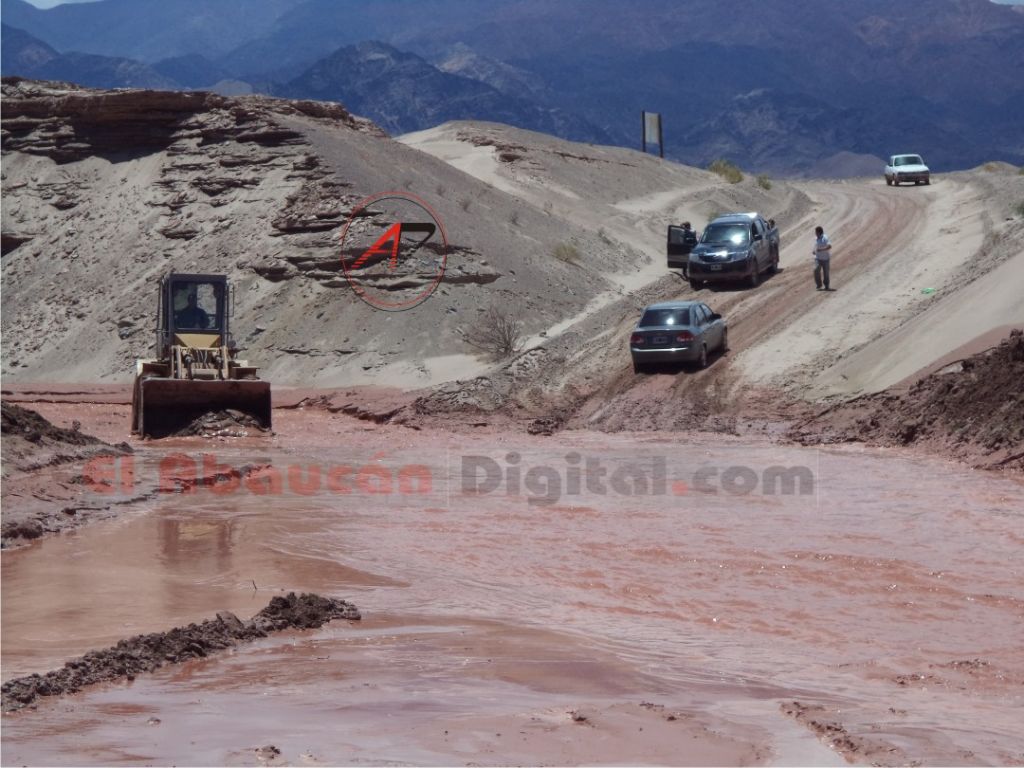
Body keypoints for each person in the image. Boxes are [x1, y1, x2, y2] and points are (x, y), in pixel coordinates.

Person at [812, 225, 832, 290]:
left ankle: (826, 285)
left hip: (825, 258)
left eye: (816, 232)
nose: (815, 233)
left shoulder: (825, 238)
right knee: (816, 270)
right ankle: (819, 284)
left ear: (819, 232)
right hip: (818, 258)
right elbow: (815, 245)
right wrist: (814, 251)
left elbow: (829, 246)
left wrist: (821, 249)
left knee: (826, 273)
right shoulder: (816, 238)